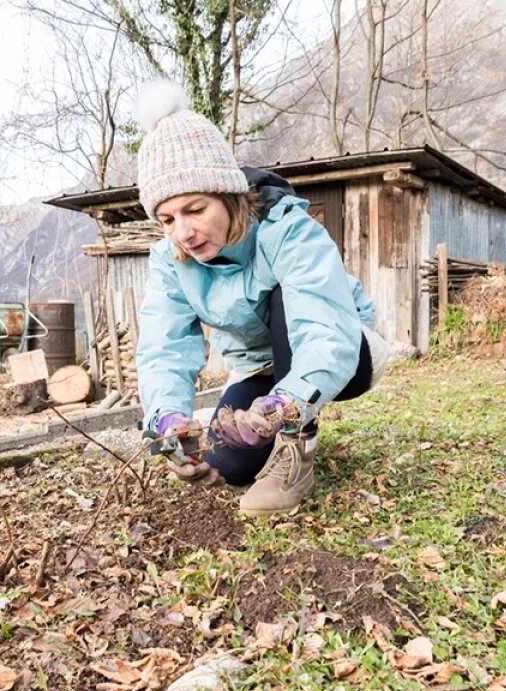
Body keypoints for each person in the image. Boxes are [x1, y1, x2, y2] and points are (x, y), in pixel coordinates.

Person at [135, 81, 391, 517]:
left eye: (195, 210)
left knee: (282, 297)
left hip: (346, 350)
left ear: (229, 195)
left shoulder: (286, 229)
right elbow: (164, 345)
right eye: (167, 219)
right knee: (227, 462)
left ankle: (297, 448)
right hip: (261, 367)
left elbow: (323, 328)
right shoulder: (170, 261)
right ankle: (276, 421)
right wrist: (169, 419)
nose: (183, 232)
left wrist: (284, 405)